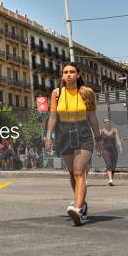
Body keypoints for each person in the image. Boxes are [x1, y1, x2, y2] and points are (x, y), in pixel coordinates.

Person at [45, 62, 99, 226]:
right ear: (62, 75)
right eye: (65, 72)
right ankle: (81, 204)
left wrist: (99, 138)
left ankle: (76, 208)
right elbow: (53, 117)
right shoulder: (56, 93)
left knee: (79, 172)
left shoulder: (87, 93)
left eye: (71, 72)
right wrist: (48, 136)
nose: (68, 74)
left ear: (78, 74)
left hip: (83, 133)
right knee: (71, 173)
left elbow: (93, 119)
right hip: (63, 134)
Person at [99, 118, 123, 186]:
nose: (107, 122)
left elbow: (117, 139)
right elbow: (99, 142)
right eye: (105, 122)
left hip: (114, 150)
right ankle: (110, 180)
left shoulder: (115, 130)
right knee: (108, 164)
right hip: (105, 150)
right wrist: (98, 150)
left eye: (108, 121)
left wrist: (120, 147)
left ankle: (111, 180)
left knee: (113, 166)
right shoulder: (101, 131)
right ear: (104, 123)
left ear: (110, 122)